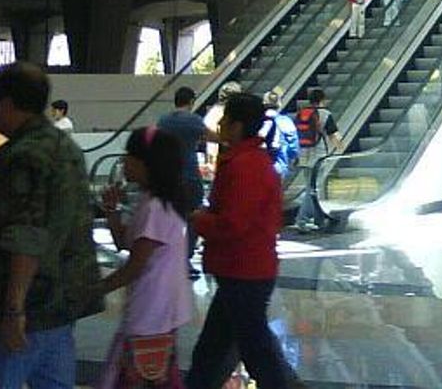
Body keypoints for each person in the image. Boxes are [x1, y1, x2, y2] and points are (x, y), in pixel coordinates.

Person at [0, 63, 103, 388]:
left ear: (7, 103)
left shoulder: (25, 155)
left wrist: (13, 310)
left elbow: (26, 237)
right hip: (60, 305)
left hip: (28, 310)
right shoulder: (67, 148)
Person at [187, 93, 295, 389]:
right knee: (218, 349)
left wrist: (200, 219)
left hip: (244, 271)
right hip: (244, 270)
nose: (220, 125)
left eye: (225, 119)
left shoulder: (244, 166)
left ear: (236, 125)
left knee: (255, 351)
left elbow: (234, 224)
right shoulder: (251, 162)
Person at [96, 127, 193, 389]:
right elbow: (124, 242)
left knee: (140, 372)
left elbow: (135, 266)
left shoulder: (156, 208)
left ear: (148, 163)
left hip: (152, 311)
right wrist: (112, 211)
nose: (124, 161)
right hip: (154, 310)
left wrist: (96, 289)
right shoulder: (151, 202)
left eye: (130, 155)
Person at [158, 85, 220, 278]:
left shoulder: (164, 121)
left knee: (170, 218)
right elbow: (213, 137)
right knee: (194, 216)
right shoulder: (193, 120)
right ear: (192, 101)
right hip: (189, 176)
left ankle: (166, 258)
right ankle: (184, 258)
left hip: (168, 176)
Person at [293, 88, 342, 233]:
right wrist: (341, 148)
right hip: (318, 157)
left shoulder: (301, 113)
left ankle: (317, 219)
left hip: (303, 155)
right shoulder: (325, 114)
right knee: (312, 189)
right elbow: (333, 135)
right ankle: (302, 220)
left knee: (311, 187)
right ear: (323, 99)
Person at [260, 88, 300, 183]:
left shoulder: (256, 120)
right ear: (279, 104)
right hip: (278, 163)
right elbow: (293, 144)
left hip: (257, 164)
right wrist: (293, 156)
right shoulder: (285, 121)